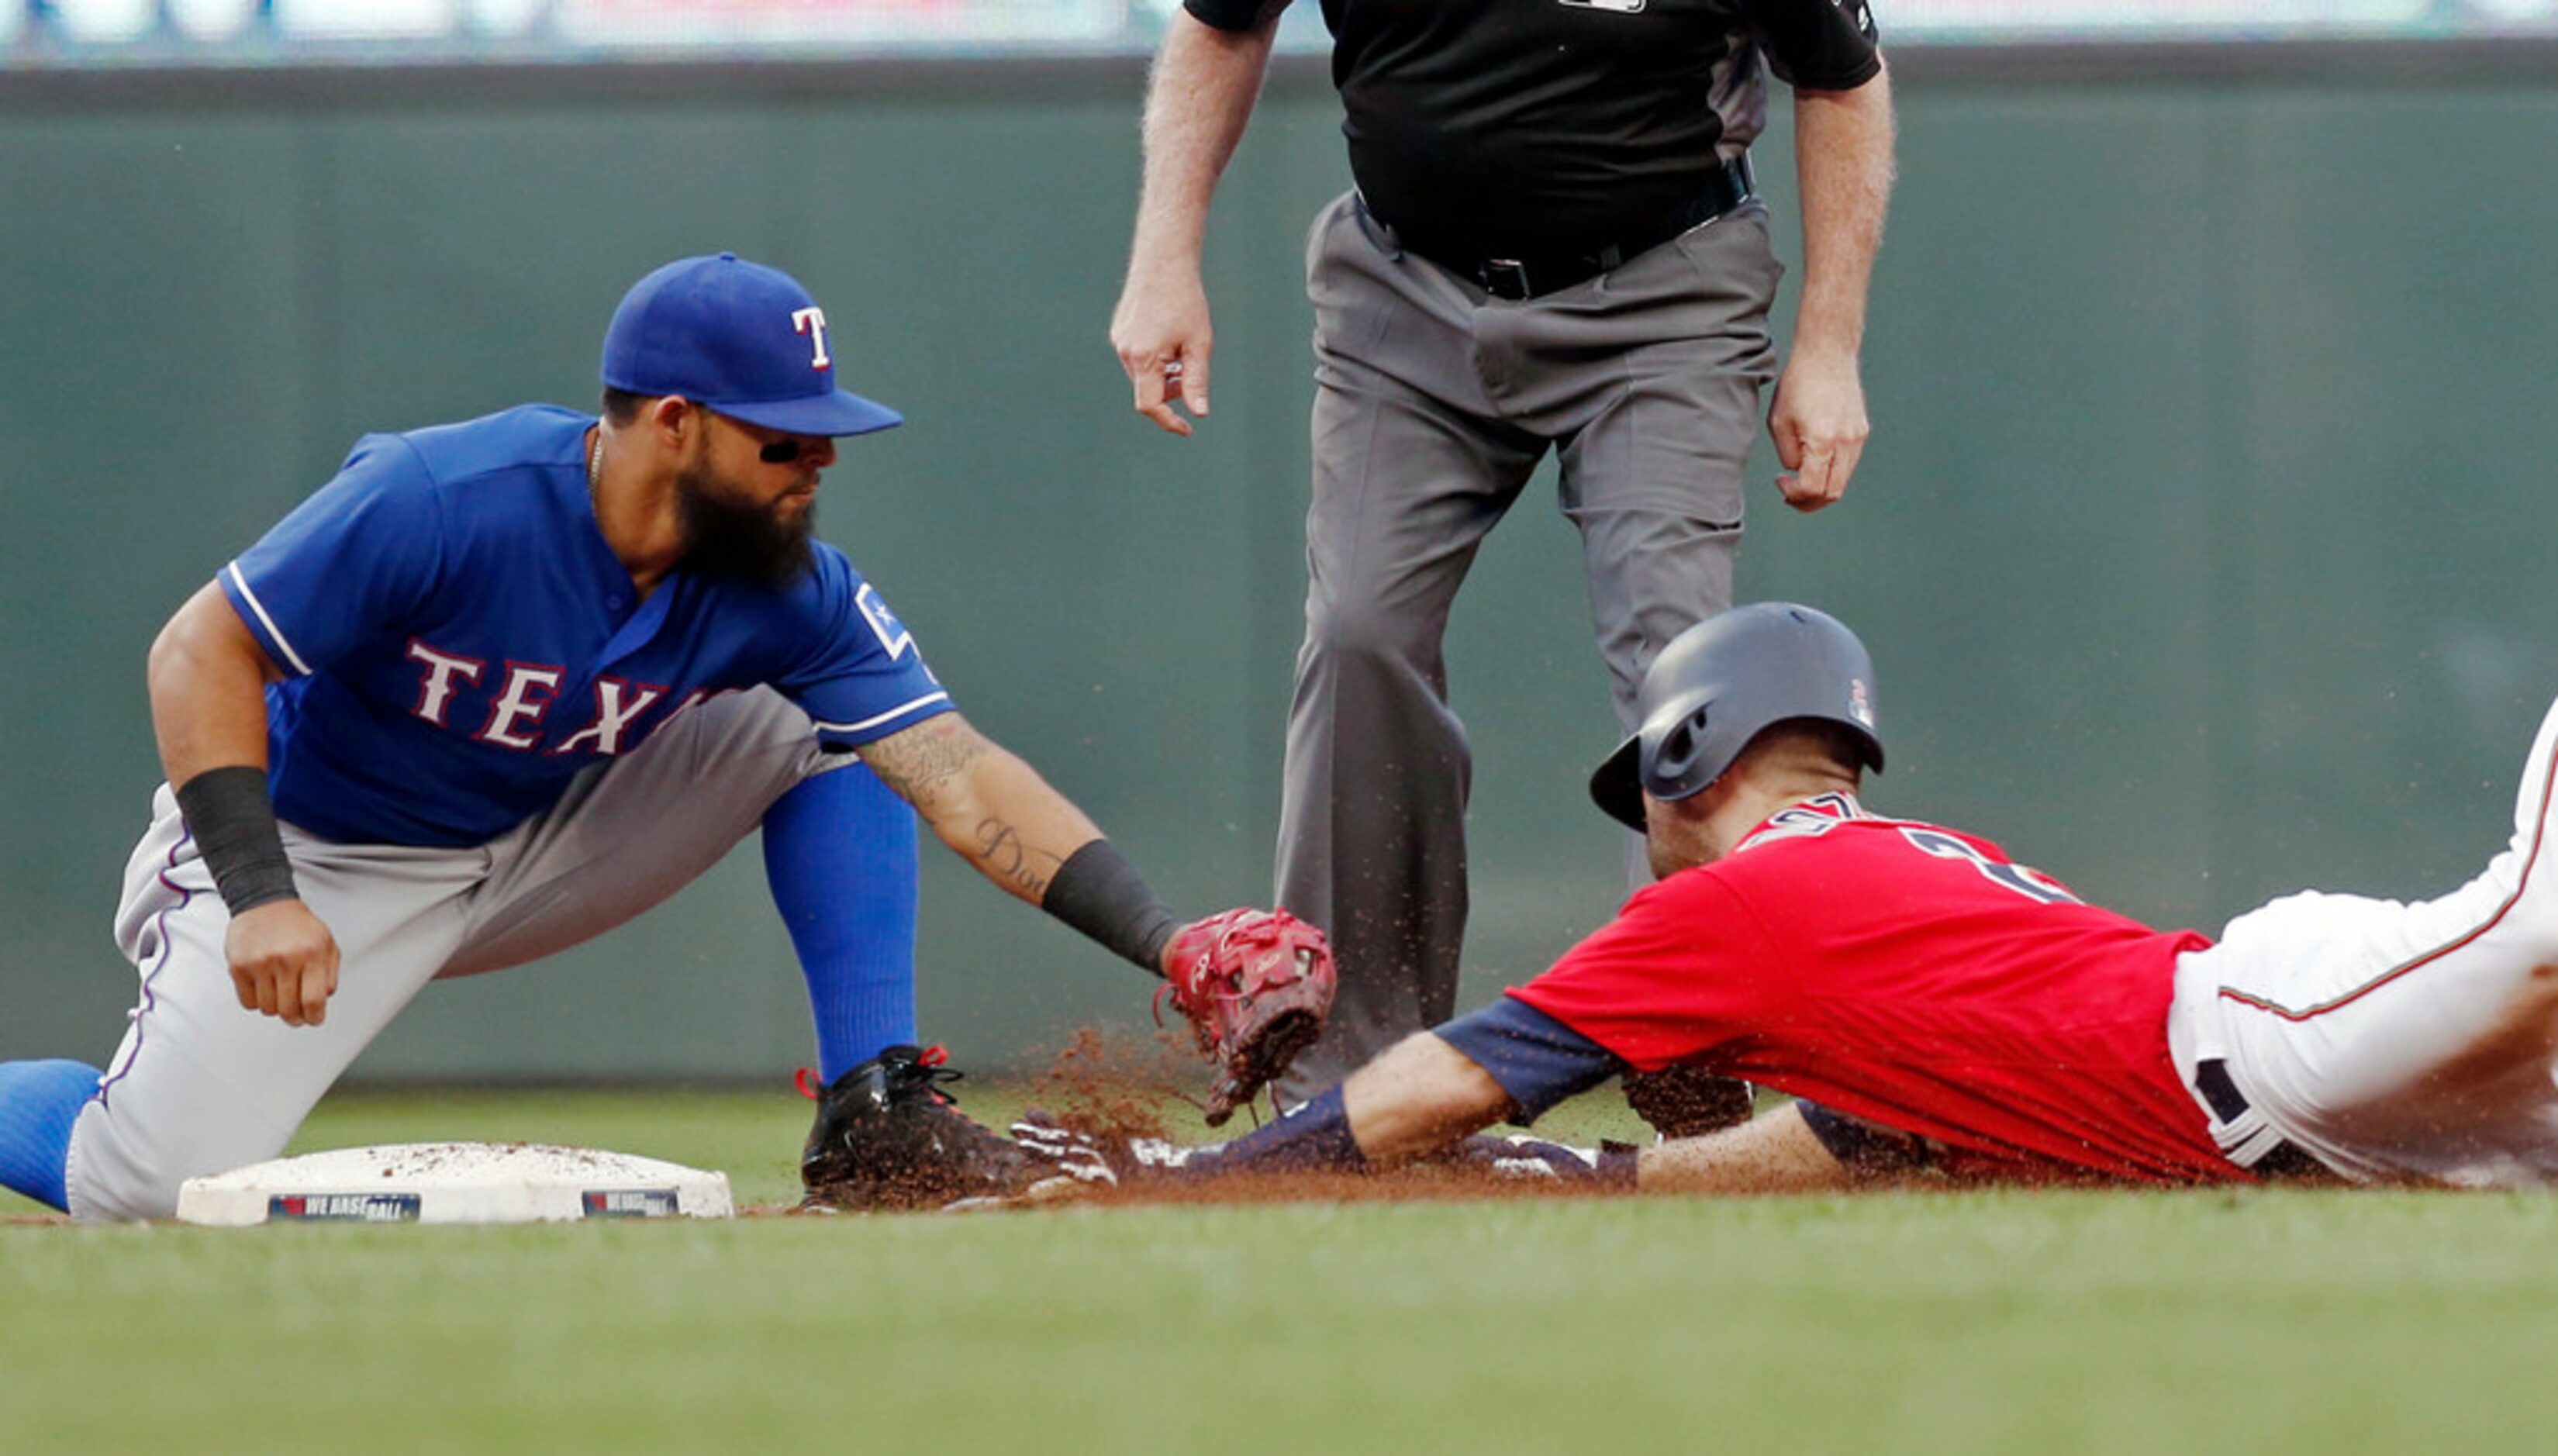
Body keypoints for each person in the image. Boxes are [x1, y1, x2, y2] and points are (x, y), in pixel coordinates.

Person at [0, 252, 1325, 1222]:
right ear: (674, 422)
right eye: (785, 439)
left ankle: (875, 1110)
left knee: (834, 732)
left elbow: (959, 772)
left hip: (552, 829)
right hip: (316, 853)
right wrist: (258, 889)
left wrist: (1171, 939)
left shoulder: (786, 582)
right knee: (147, 1190)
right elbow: (200, 647)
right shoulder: (444, 497)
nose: (821, 462)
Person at [1027, 602, 2558, 1194]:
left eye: (1651, 800)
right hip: (2339, 1130)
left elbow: (1451, 1076)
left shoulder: (1742, 906)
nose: (1654, 839)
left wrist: (1199, 1183)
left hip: (2284, 1040)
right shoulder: (1897, 877)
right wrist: (1607, 1185)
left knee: (2530, 924)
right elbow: (1870, 1129)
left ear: (1689, 756)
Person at [1107, 0, 1899, 1096]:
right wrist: (1164, 254)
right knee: (1356, 635)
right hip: (1405, 279)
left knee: (1682, 665)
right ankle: (1352, 1073)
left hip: (1663, 284)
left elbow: (1844, 77)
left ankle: (1690, 1041)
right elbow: (1220, 22)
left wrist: (1829, 344)